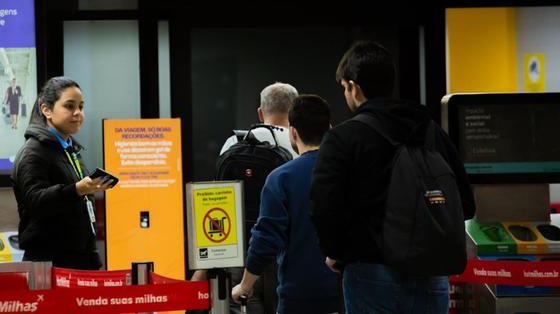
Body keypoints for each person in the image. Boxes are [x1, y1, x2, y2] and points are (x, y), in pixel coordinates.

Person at [310, 41, 476, 314]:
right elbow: (466, 205)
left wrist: (337, 251)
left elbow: (323, 208)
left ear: (355, 87)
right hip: (432, 278)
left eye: (344, 88)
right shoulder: (432, 132)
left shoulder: (343, 138)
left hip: (370, 274)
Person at [195, 82, 299, 314]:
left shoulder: (234, 143)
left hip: (238, 258)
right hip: (284, 257)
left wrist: (203, 267)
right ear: (294, 112)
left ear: (261, 113)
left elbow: (215, 204)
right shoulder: (298, 147)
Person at [232, 95, 337, 314]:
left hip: (299, 300)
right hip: (346, 296)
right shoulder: (349, 172)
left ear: (293, 131)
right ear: (329, 129)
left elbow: (265, 239)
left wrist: (245, 286)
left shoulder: (281, 178)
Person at [11, 76, 114, 269]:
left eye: (81, 107)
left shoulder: (70, 150)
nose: (77, 113)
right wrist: (76, 190)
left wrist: (92, 260)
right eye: (69, 106)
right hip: (49, 263)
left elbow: (83, 211)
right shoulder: (33, 152)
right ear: (47, 110)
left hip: (80, 260)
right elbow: (35, 202)